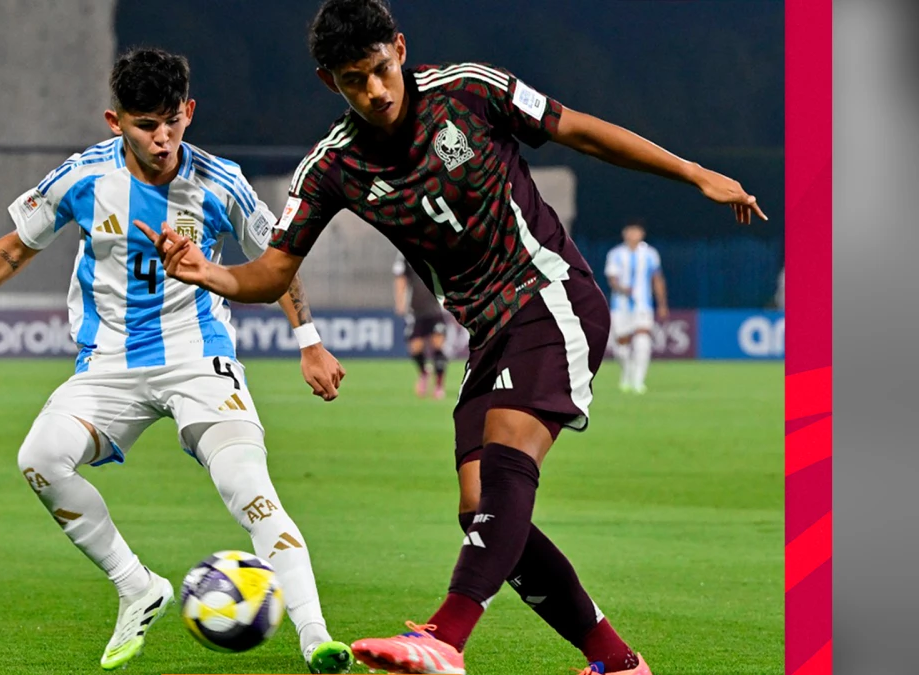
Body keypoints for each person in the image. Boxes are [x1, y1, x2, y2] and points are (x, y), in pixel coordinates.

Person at [138, 2, 768, 673]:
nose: (375, 90)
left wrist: (693, 170)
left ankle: (444, 635)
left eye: (381, 69)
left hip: (549, 296)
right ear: (332, 83)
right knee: (482, 510)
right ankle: (617, 662)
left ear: (400, 49)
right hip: (487, 333)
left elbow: (580, 131)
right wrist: (208, 271)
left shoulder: (470, 92)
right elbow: (271, 274)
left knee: (504, 461)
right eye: (355, 80)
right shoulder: (332, 169)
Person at [0, 48, 354, 674]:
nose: (162, 137)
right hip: (108, 365)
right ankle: (136, 585)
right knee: (40, 460)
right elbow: (14, 251)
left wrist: (308, 339)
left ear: (190, 112)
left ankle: (316, 638)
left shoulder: (221, 181)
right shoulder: (81, 179)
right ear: (113, 119)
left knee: (249, 489)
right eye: (145, 124)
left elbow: (278, 263)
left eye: (173, 121)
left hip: (197, 357)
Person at [604, 221, 668, 394]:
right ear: (625, 233)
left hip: (643, 305)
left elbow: (657, 279)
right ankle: (627, 372)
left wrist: (662, 304)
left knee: (642, 342)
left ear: (642, 234)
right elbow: (612, 279)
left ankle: (639, 382)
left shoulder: (650, 254)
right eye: (630, 231)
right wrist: (621, 288)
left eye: (636, 231)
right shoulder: (615, 254)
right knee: (621, 347)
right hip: (620, 306)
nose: (633, 235)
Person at [394, 252, 449, 398]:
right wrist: (400, 301)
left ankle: (438, 385)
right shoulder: (404, 252)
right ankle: (424, 372)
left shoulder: (437, 246)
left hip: (436, 308)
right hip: (416, 309)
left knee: (437, 345)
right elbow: (400, 277)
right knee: (415, 347)